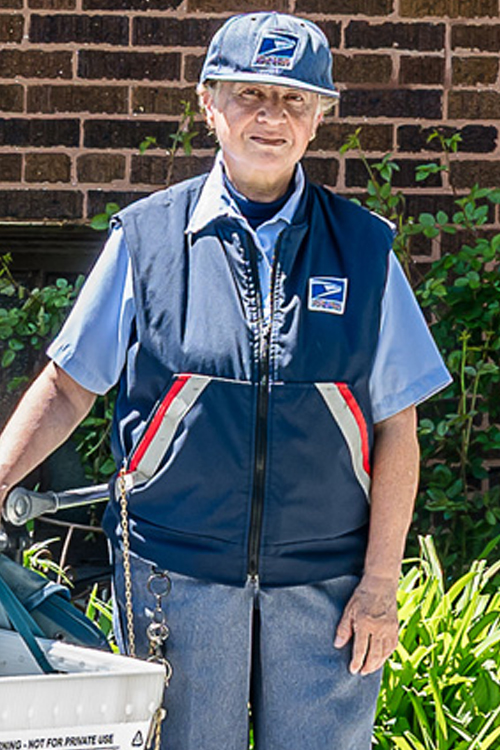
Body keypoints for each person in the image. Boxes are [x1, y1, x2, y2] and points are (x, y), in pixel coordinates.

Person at [0, 12, 451, 750]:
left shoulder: (366, 250)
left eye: (295, 100)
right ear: (210, 104)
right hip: (175, 581)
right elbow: (70, 385)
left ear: (318, 121)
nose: (272, 117)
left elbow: (396, 427)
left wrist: (379, 586)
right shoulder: (146, 239)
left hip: (327, 588)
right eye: (250, 94)